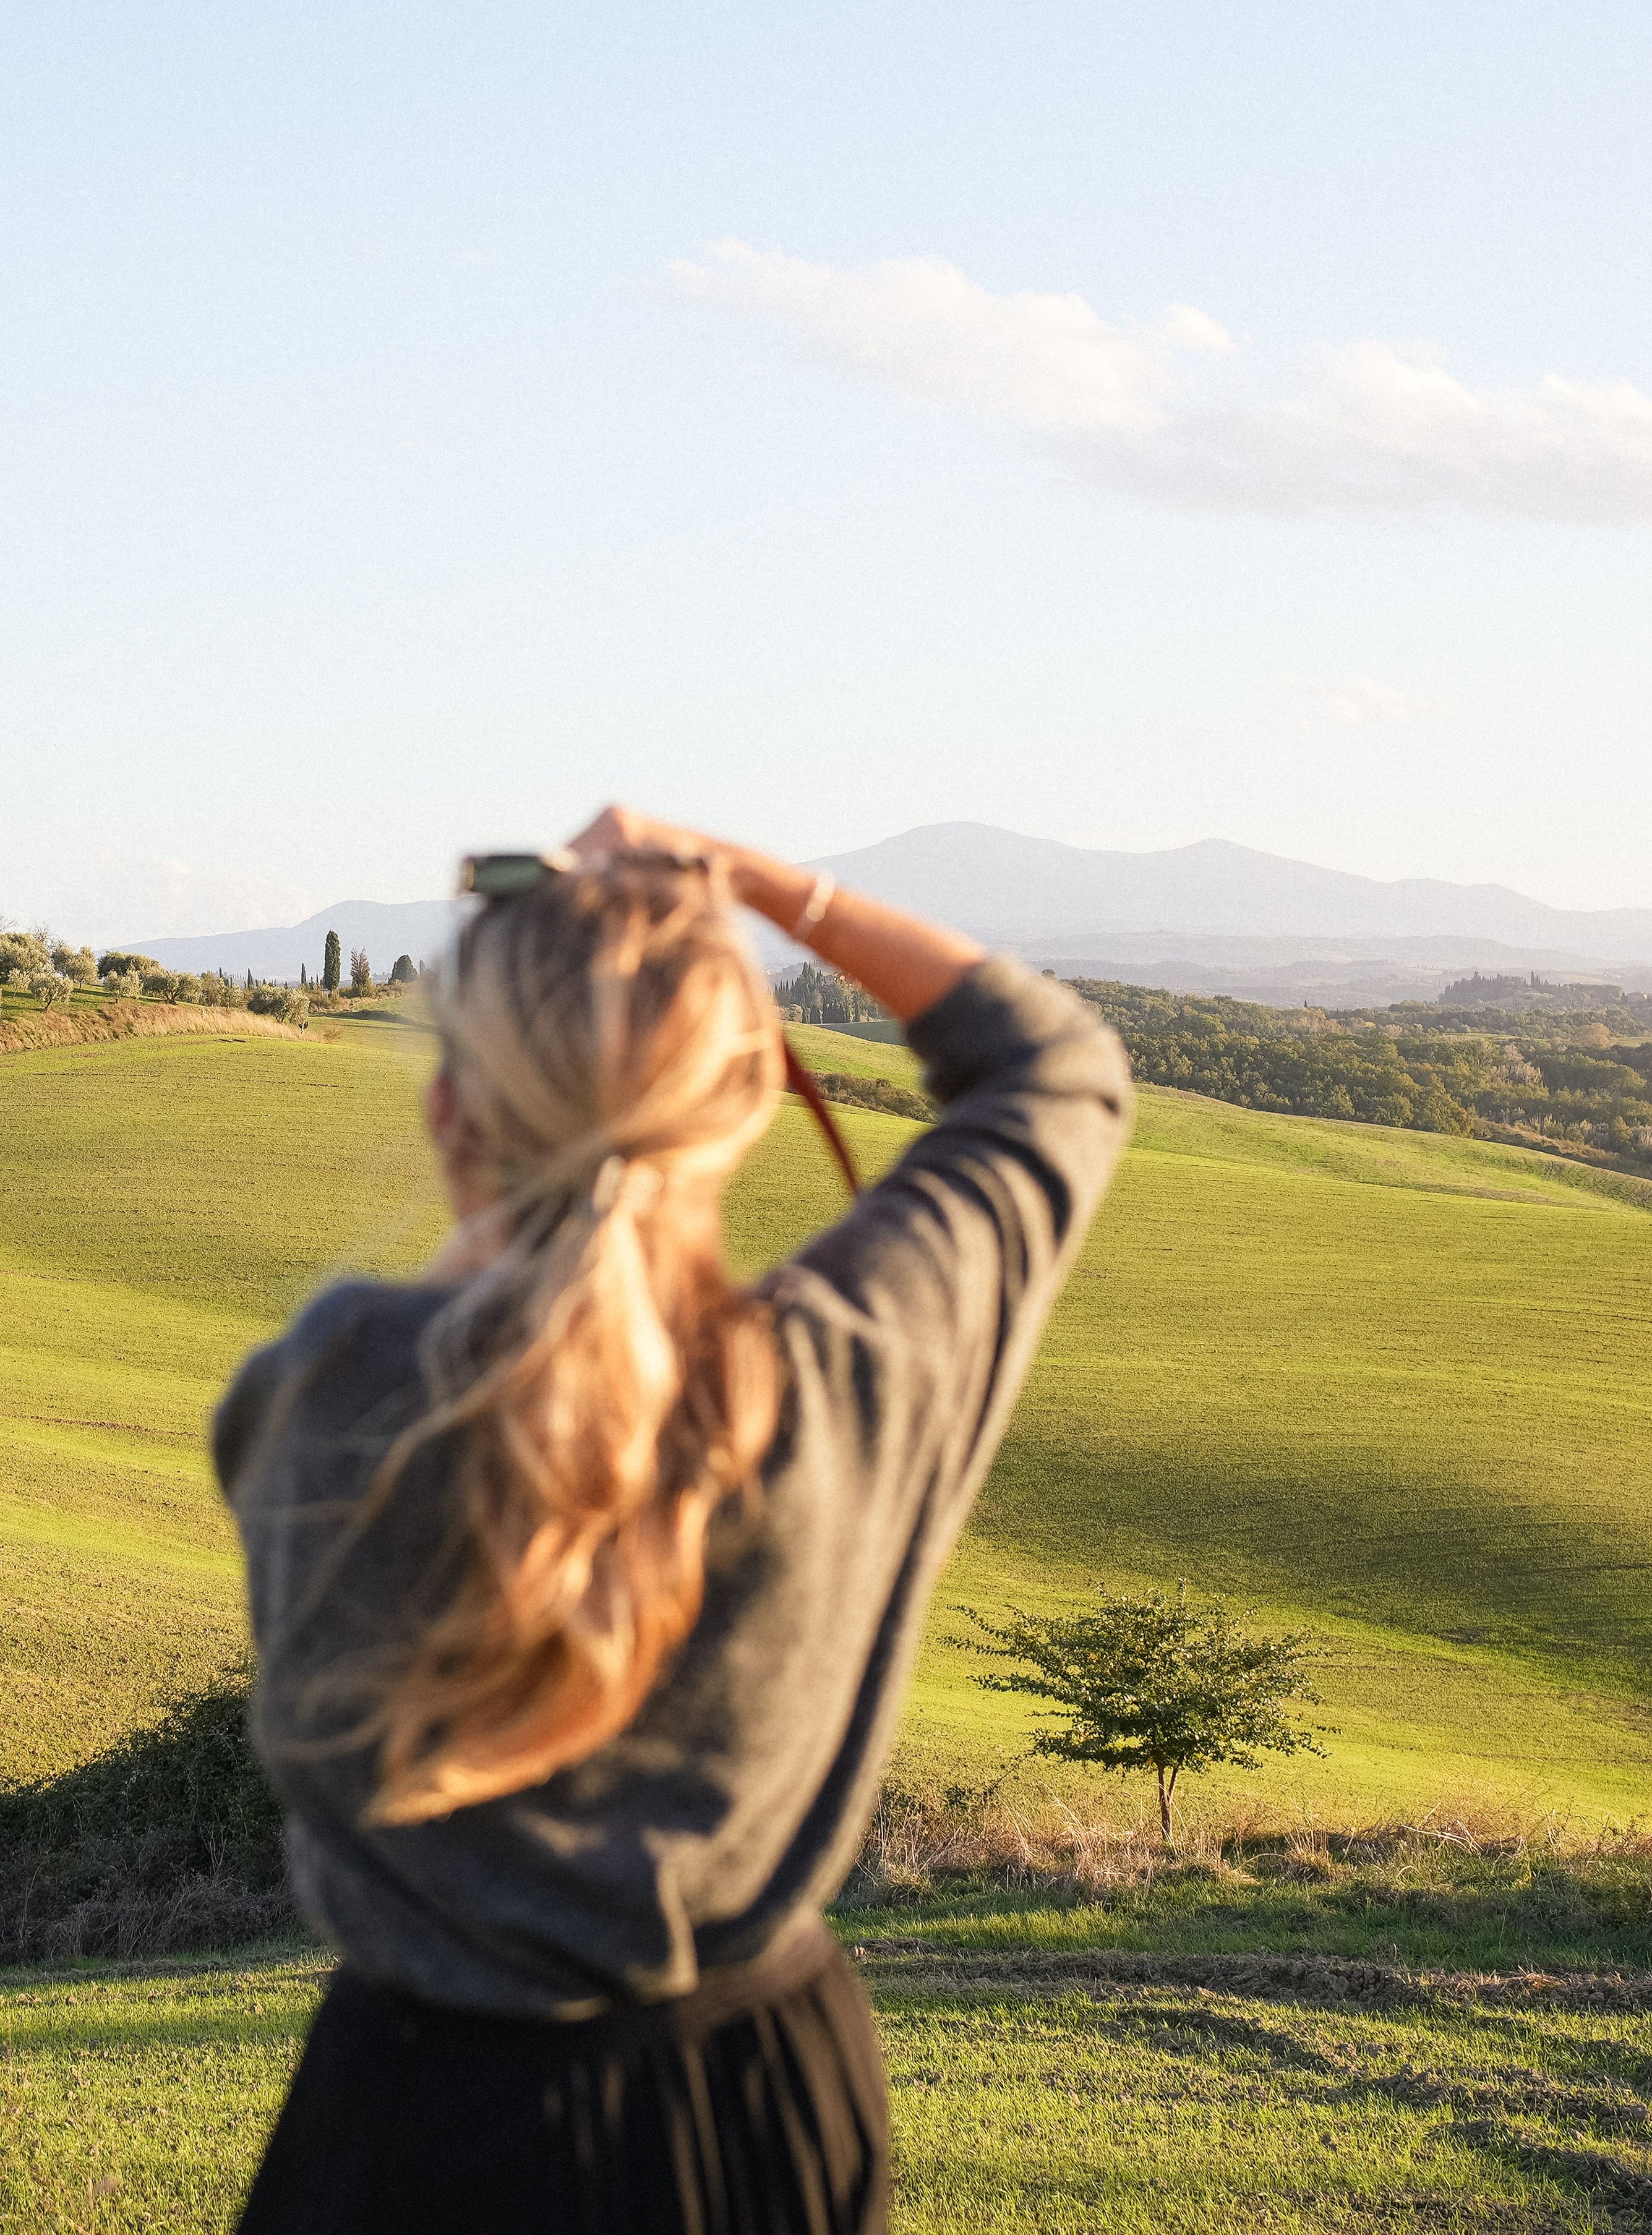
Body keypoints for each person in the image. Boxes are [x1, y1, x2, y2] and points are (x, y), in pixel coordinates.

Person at [210, 806, 1132, 2233]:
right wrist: (767, 886)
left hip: (407, 2122)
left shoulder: (328, 1391)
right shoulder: (846, 1376)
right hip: (761, 2113)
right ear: (750, 1098)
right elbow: (1054, 1070)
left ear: (451, 1111)